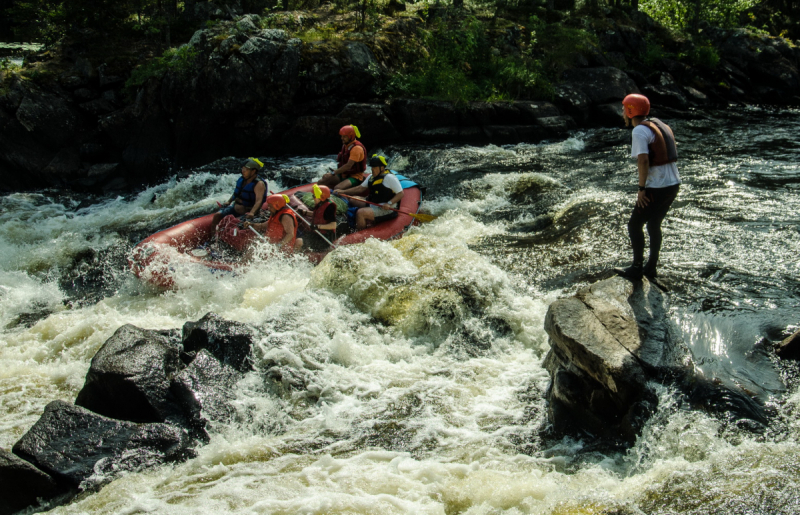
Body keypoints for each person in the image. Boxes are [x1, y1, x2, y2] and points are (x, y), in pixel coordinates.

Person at [618, 93, 681, 280]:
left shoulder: (638, 131)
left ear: (631, 111)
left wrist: (641, 188)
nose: (622, 112)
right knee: (654, 224)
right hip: (673, 185)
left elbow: (643, 161)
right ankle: (651, 268)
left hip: (657, 187)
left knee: (634, 225)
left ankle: (637, 268)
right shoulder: (658, 124)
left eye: (624, 108)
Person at [337, 154, 404, 230]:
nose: (372, 169)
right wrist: (343, 191)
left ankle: (359, 233)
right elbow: (360, 188)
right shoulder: (371, 177)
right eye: (372, 167)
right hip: (373, 203)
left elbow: (401, 194)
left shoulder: (390, 178)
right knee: (353, 199)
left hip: (387, 209)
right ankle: (348, 219)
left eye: (374, 167)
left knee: (360, 213)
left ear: (381, 168)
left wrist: (389, 203)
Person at [212, 158, 268, 230]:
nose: (243, 171)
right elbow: (236, 193)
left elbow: (259, 201)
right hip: (235, 208)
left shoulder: (259, 184)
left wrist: (252, 213)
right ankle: (213, 239)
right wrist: (229, 201)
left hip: (247, 212)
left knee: (232, 224)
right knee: (217, 215)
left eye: (246, 169)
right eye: (242, 169)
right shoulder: (242, 180)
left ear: (253, 171)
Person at [318, 125, 367, 191]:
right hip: (343, 175)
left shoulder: (356, 148)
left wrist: (333, 173)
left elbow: (348, 166)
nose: (342, 138)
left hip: (355, 177)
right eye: (341, 136)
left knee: (338, 188)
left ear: (351, 136)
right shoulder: (345, 146)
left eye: (344, 136)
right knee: (323, 180)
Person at [294, 184, 338, 251]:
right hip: (316, 234)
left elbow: (333, 225)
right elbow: (319, 215)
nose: (313, 198)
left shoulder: (329, 207)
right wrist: (305, 212)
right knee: (298, 237)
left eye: (314, 196)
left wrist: (317, 226)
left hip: (324, 238)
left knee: (299, 241)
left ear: (322, 197)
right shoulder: (320, 203)